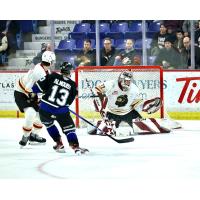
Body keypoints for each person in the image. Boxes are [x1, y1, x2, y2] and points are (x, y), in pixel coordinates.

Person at [31, 62, 88, 155]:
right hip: (61, 111)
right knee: (69, 130)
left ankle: (59, 144)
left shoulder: (52, 76)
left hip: (44, 109)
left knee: (49, 125)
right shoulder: (73, 85)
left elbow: (35, 88)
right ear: (70, 71)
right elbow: (68, 102)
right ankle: (75, 147)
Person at [14, 51, 56, 147]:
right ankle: (26, 136)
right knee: (31, 113)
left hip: (31, 93)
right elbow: (28, 89)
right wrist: (40, 99)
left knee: (43, 114)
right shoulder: (39, 72)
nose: (54, 62)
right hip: (21, 93)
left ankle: (34, 136)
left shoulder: (46, 70)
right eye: (53, 60)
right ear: (50, 61)